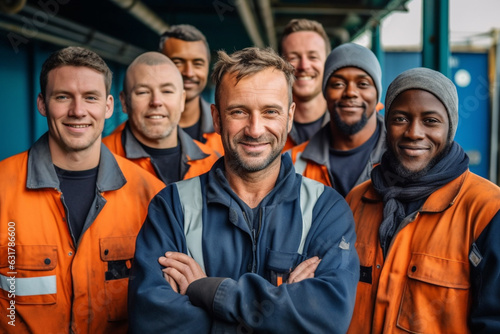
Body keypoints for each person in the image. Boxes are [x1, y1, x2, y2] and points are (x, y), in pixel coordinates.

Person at [128, 47, 359, 333]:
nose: (254, 129)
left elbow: (328, 319)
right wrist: (283, 310)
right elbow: (153, 323)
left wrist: (211, 292)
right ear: (216, 117)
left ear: (289, 117)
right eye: (238, 111)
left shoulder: (326, 210)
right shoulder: (172, 207)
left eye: (270, 112)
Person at [0, 46, 165, 333]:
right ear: (42, 103)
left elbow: (167, 305)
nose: (78, 111)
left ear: (109, 106)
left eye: (90, 97)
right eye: (63, 97)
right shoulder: (2, 188)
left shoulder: (151, 195)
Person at [345, 67, 500, 333]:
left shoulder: (487, 210)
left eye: (430, 121)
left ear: (450, 127)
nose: (414, 133)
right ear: (387, 123)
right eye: (401, 119)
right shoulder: (357, 200)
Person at [103, 52, 219, 185]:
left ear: (182, 100)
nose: (156, 101)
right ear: (124, 102)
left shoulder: (214, 164)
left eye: (167, 91)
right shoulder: (100, 160)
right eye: (143, 92)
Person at [288, 42, 386, 197]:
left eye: (363, 84)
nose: (350, 92)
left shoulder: (402, 156)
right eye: (338, 84)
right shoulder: (292, 163)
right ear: (326, 93)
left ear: (377, 94)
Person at [159, 24, 224, 154]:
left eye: (198, 63)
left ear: (207, 67)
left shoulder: (227, 129)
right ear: (160, 65)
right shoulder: (123, 139)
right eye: (178, 62)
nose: (189, 73)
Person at [279, 18, 331, 151]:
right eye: (293, 58)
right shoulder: (264, 128)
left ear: (328, 63)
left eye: (313, 57)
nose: (304, 66)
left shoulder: (354, 126)